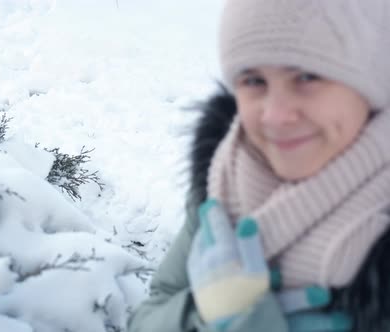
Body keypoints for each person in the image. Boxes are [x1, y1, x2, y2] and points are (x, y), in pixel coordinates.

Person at [127, 0, 390, 331]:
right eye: (254, 81)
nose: (276, 116)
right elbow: (150, 312)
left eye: (307, 76)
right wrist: (202, 317)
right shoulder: (226, 179)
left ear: (375, 79)